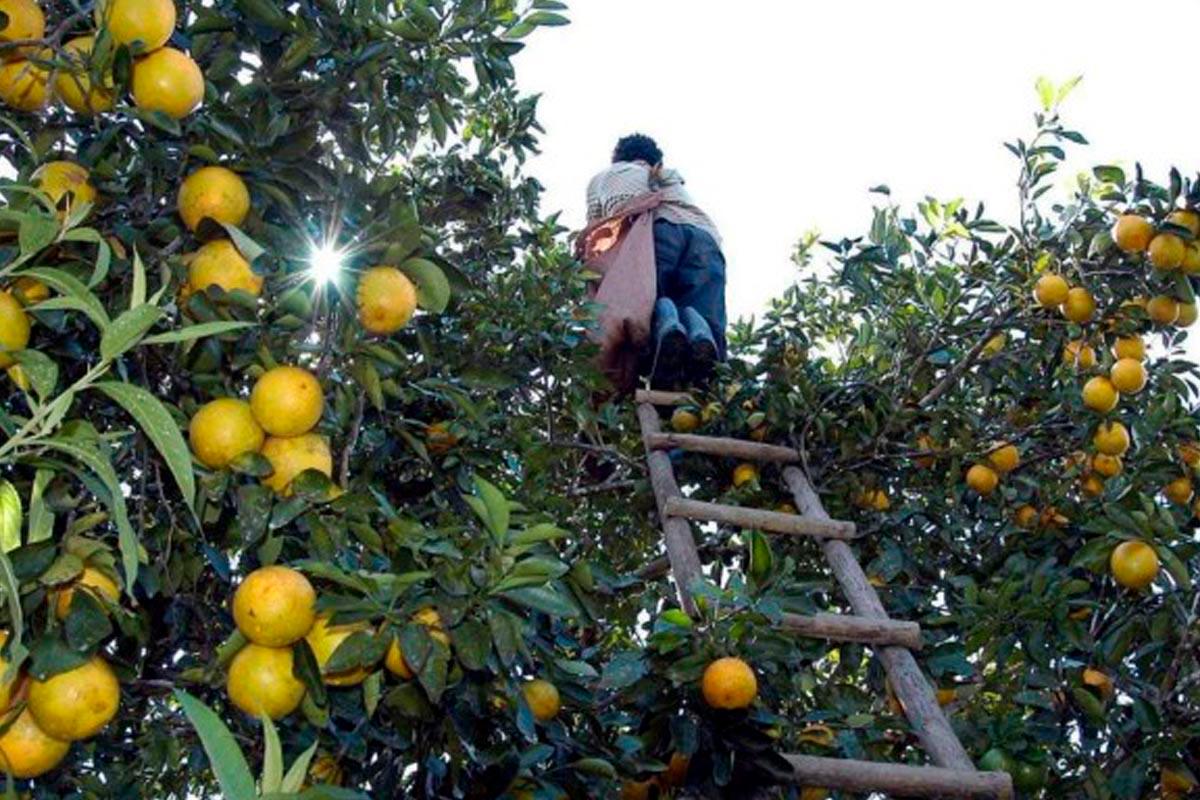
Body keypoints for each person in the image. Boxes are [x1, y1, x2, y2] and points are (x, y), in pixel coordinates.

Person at [585, 134, 727, 386]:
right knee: (703, 309)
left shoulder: (608, 177)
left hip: (659, 231)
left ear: (619, 158)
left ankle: (668, 333)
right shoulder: (670, 176)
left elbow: (596, 233)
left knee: (648, 301)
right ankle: (704, 351)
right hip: (706, 237)